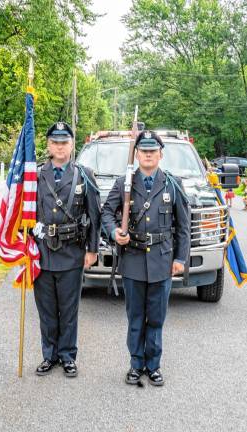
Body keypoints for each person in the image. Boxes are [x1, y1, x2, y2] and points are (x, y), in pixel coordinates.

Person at [102, 130, 190, 386]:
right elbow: (107, 213)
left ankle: (153, 366)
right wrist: (114, 232)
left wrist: (180, 260)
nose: (148, 154)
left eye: (153, 151)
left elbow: (183, 226)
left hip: (162, 261)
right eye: (144, 150)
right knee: (136, 317)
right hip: (133, 260)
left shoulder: (173, 184)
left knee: (156, 317)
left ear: (160, 154)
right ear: (136, 154)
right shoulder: (124, 184)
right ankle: (135, 364)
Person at [32, 121, 101, 378]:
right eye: (56, 142)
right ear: (49, 146)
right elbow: (24, 214)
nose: (60, 147)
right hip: (42, 252)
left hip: (72, 251)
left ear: (72, 146)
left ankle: (68, 356)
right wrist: (23, 248)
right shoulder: (36, 176)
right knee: (47, 309)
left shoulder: (84, 175)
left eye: (65, 142)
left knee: (69, 309)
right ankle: (49, 355)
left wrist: (92, 249)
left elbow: (95, 215)